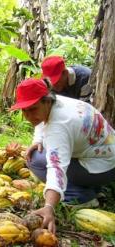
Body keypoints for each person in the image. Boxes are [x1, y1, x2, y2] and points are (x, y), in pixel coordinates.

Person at [11, 78, 115, 234]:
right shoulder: (56, 101)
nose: (28, 116)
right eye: (24, 110)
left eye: (32, 109)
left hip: (104, 166)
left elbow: (56, 168)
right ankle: (92, 186)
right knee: (39, 152)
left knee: (36, 161)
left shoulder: (60, 125)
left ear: (46, 101)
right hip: (104, 157)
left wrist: (49, 207)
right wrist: (38, 139)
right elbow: (41, 123)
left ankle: (81, 196)